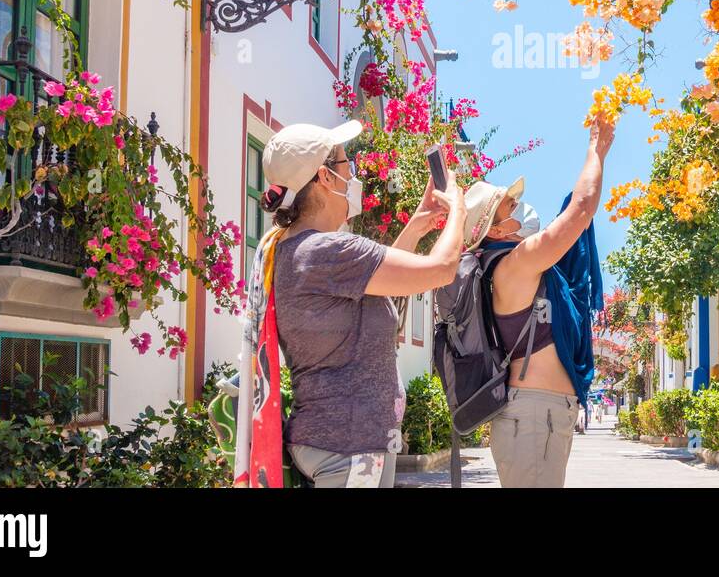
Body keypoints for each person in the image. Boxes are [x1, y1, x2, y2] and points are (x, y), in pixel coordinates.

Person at [258, 121, 466, 488]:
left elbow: (382, 285)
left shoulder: (298, 249)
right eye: (345, 163)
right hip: (348, 446)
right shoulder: (330, 250)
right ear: (325, 177)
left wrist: (417, 225)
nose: (352, 173)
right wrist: (459, 210)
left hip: (332, 441)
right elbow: (442, 269)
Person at [463, 116, 614, 488]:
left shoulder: (521, 266)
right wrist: (596, 149)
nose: (518, 204)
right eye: (507, 205)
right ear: (495, 232)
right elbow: (579, 212)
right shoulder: (511, 266)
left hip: (541, 414)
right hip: (531, 415)